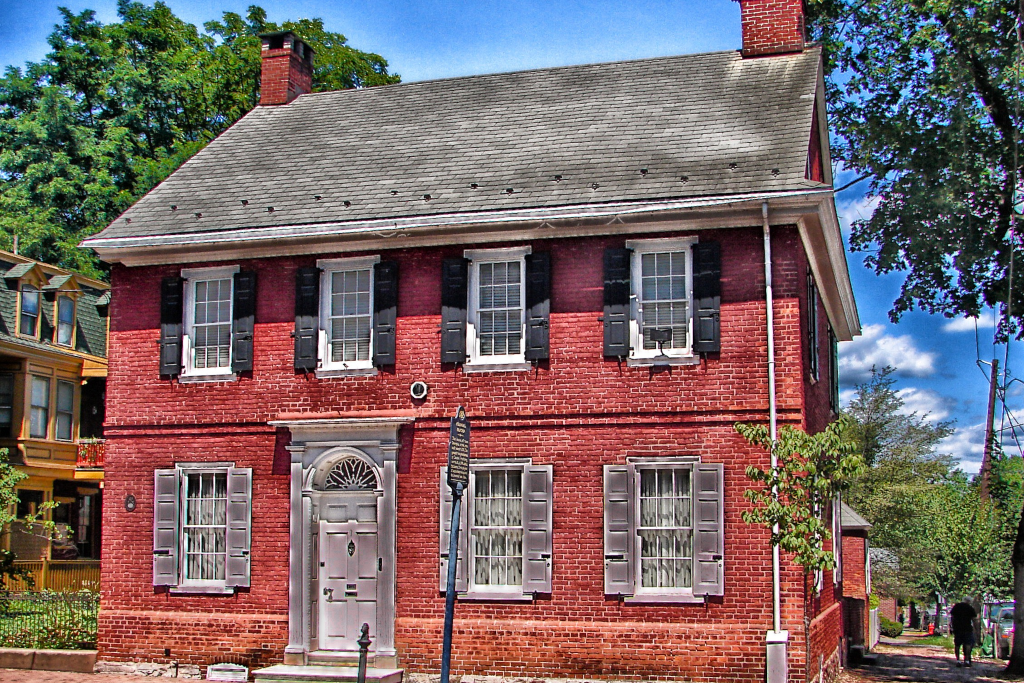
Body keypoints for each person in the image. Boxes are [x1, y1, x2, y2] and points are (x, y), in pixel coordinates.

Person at [950, 600, 978, 667]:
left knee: (957, 645)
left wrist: (952, 626)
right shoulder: (970, 608)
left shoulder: (956, 606)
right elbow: (974, 619)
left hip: (957, 628)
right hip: (967, 628)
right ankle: (967, 660)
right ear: (968, 601)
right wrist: (976, 629)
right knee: (968, 644)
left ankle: (958, 660)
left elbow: (952, 617)